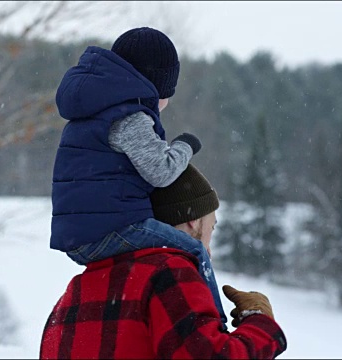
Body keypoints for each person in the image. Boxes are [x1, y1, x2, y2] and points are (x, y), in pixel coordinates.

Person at [50, 26, 228, 327]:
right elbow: (161, 171)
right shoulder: (129, 117)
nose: (165, 103)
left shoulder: (95, 111)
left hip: (80, 230)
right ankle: (216, 325)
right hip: (111, 226)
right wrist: (185, 146)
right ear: (154, 85)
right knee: (193, 250)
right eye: (166, 94)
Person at [41, 164, 287, 359]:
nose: (209, 250)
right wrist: (260, 323)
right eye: (212, 226)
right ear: (193, 220)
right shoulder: (168, 272)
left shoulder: (75, 292)